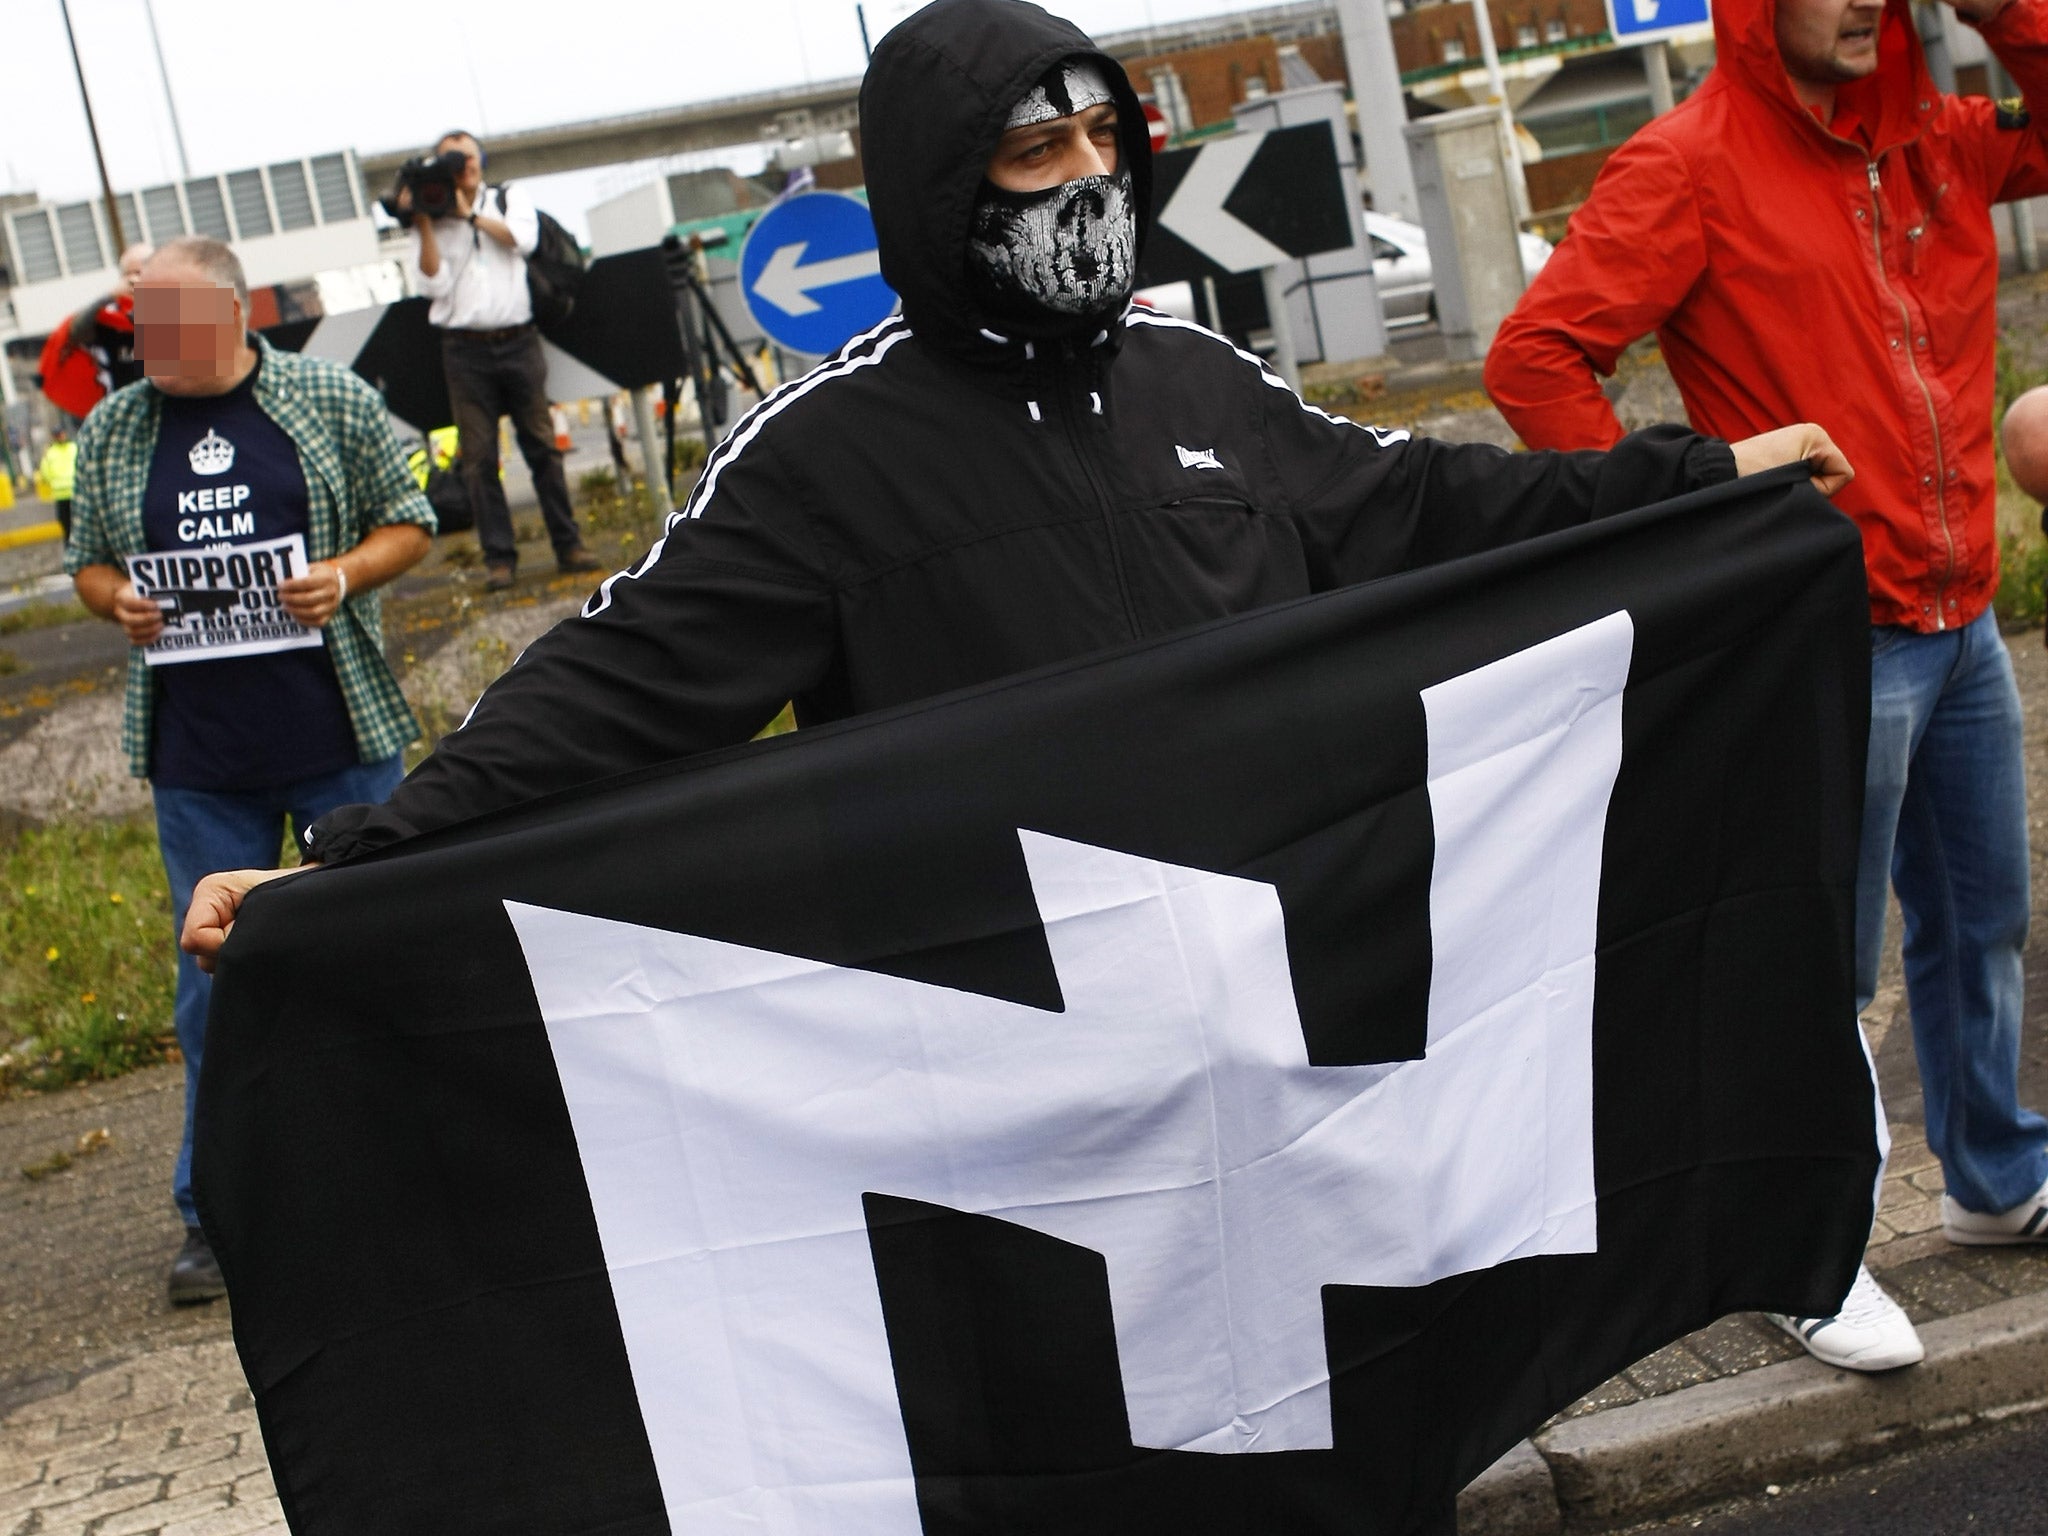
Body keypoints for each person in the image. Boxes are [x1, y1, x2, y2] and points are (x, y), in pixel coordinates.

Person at [187, 0, 1841, 1442]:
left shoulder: (1205, 390)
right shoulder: (825, 462)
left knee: (1352, 1414)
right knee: (1085, 1446)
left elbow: (1432, 507)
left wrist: (1703, 485)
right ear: (934, 185)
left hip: (1276, 1050)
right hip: (1028, 1095)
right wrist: (345, 864)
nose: (1080, 175)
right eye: (1027, 151)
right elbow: (611, 691)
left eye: (1095, 136)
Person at [1485, 0, 2048, 1372]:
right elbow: (1534, 358)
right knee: (1815, 971)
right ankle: (1813, 1252)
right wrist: (1695, 530)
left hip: (1960, 612)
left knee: (1982, 922)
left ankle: (1991, 1182)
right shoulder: (1690, 165)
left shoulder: (1941, 143)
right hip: (1820, 636)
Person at [65, 236, 436, 1304]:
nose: (149, 349)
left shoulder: (327, 397)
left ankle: (418, 1179)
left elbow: (408, 523)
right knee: (209, 993)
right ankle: (213, 1215)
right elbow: (86, 560)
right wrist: (113, 603)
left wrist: (343, 577)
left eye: (170, 328)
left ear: (232, 314)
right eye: (142, 332)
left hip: (340, 737)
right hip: (199, 759)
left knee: (378, 958)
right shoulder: (115, 428)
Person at [402, 130, 597, 591]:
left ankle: (568, 544)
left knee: (543, 449)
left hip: (519, 339)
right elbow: (430, 284)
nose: (460, 167)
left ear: (480, 160)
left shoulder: (509, 199)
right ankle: (499, 560)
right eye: (449, 161)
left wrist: (469, 215)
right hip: (464, 349)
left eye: (465, 158)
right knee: (479, 459)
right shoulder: (431, 214)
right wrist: (426, 222)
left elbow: (523, 242)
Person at [37, 242, 154, 421]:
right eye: (129, 274)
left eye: (141, 272)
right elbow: (75, 331)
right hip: (123, 415)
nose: (135, 280)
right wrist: (110, 295)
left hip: (173, 409)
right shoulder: (107, 317)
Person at [37, 427, 77, 537]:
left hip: (76, 492)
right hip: (62, 494)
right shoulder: (51, 453)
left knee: (77, 524)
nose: (60, 436)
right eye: (58, 435)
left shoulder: (73, 448)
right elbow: (45, 472)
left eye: (61, 434)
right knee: (67, 525)